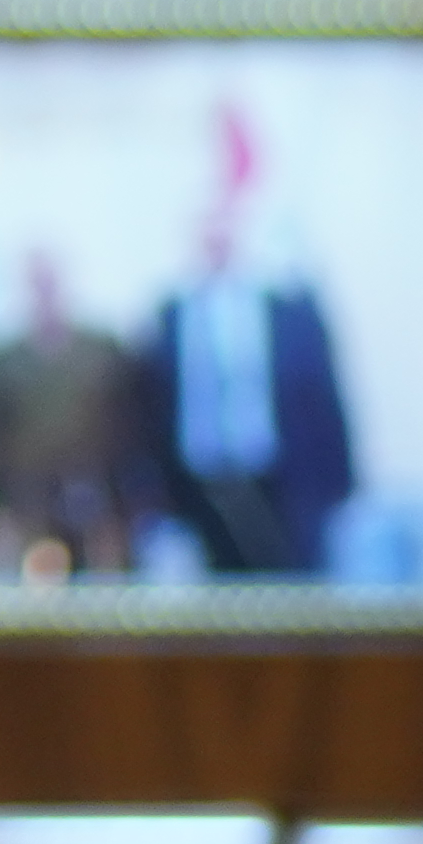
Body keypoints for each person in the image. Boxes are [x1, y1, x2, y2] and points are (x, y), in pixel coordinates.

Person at [116, 134, 359, 580]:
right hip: (200, 486)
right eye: (208, 229)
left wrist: (341, 486)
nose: (217, 239)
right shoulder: (170, 314)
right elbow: (151, 407)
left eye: (225, 227)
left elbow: (323, 397)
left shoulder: (287, 310)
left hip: (277, 482)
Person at [0, 253, 137, 580]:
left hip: (97, 492)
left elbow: (130, 422)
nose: (45, 290)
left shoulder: (102, 350)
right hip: (30, 498)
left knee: (106, 583)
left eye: (50, 280)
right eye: (36, 281)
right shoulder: (4, 362)